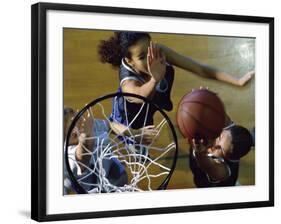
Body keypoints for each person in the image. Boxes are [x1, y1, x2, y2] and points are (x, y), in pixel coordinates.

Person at [98, 32, 254, 129]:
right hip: (132, 116)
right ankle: (136, 148)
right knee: (141, 138)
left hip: (155, 99)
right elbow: (140, 95)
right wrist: (154, 79)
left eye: (150, 49)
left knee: (164, 75)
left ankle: (161, 100)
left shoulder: (158, 52)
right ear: (129, 61)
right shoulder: (128, 83)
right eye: (141, 57)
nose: (150, 58)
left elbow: (200, 69)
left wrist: (237, 81)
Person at [63, 107, 158, 194]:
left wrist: (134, 133)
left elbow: (109, 125)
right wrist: (86, 136)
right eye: (74, 135)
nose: (79, 131)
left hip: (113, 173)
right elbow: (82, 157)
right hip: (96, 193)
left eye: (78, 121)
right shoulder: (68, 155)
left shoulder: (87, 126)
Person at [189, 121, 254, 187]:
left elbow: (208, 166)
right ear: (223, 129)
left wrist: (199, 151)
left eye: (221, 150)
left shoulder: (223, 172)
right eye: (219, 137)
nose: (215, 145)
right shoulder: (225, 126)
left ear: (229, 158)